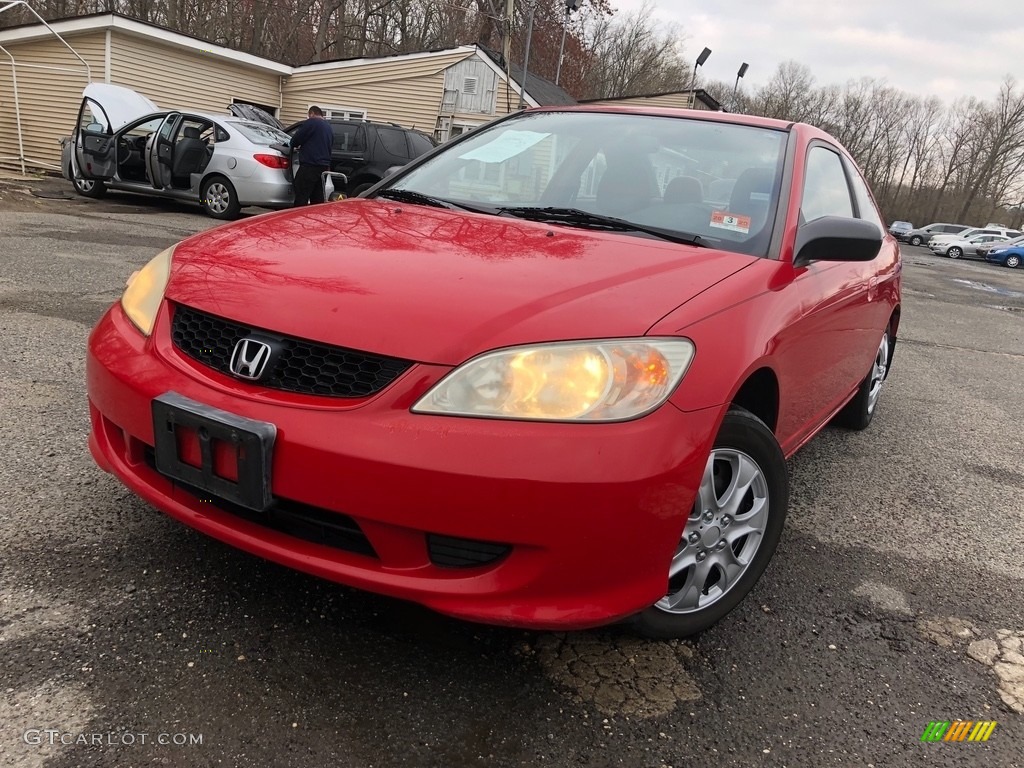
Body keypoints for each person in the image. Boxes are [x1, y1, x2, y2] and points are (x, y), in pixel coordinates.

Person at [289, 106, 334, 206]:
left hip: (310, 165)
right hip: (323, 167)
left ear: (312, 113)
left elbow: (295, 140)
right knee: (317, 198)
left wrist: (293, 144)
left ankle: (298, 217)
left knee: (302, 194)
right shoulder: (328, 127)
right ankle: (315, 218)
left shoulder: (311, 122)